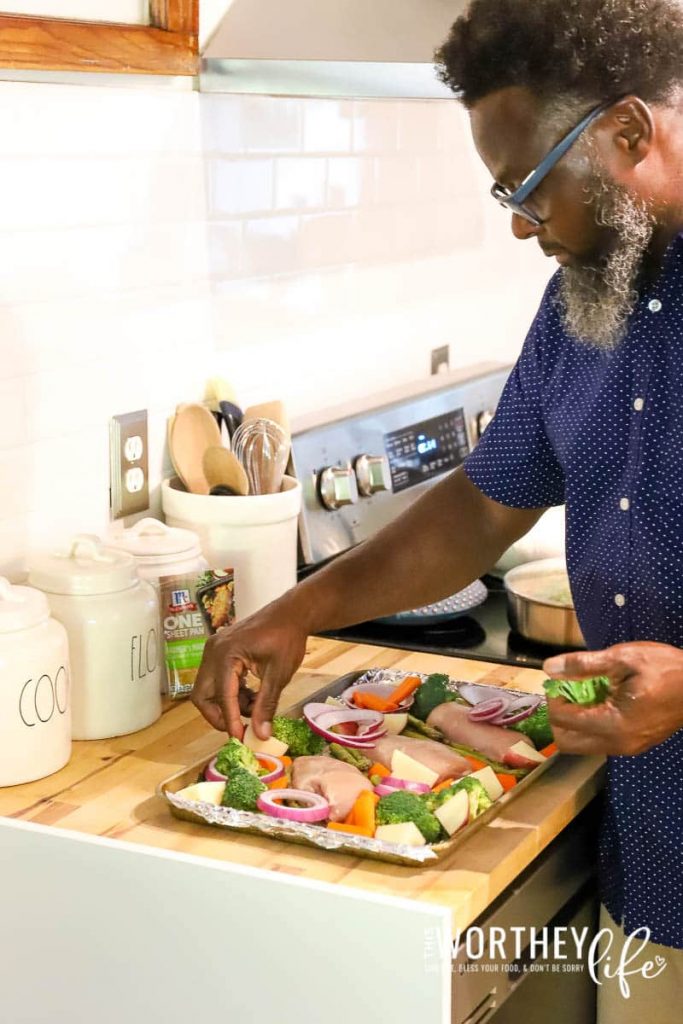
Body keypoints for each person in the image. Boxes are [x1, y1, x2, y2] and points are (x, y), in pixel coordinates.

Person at [193, 1, 683, 1015]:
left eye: (528, 187)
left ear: (629, 131)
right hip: (654, 869)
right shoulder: (583, 302)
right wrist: (298, 609)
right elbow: (480, 508)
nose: (517, 224)